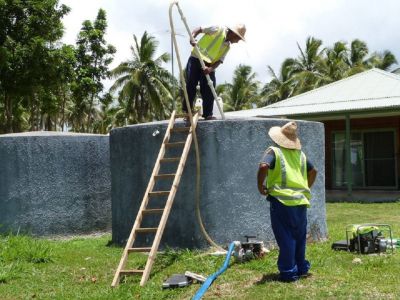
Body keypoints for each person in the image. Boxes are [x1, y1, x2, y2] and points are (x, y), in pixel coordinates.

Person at [257, 121, 317, 282]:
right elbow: (313, 171)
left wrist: (260, 186)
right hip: (301, 201)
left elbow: (263, 166)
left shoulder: (274, 151)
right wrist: (306, 187)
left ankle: (289, 272)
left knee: (286, 237)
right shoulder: (301, 155)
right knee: (299, 236)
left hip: (281, 201)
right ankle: (302, 268)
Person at [183, 24, 246, 120]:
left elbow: (220, 60)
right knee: (191, 84)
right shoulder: (218, 29)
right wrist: (192, 38)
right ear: (234, 34)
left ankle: (208, 114)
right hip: (196, 58)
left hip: (209, 65)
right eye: (238, 38)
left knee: (210, 86)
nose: (237, 41)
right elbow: (199, 29)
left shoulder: (227, 46)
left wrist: (210, 69)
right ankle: (187, 112)